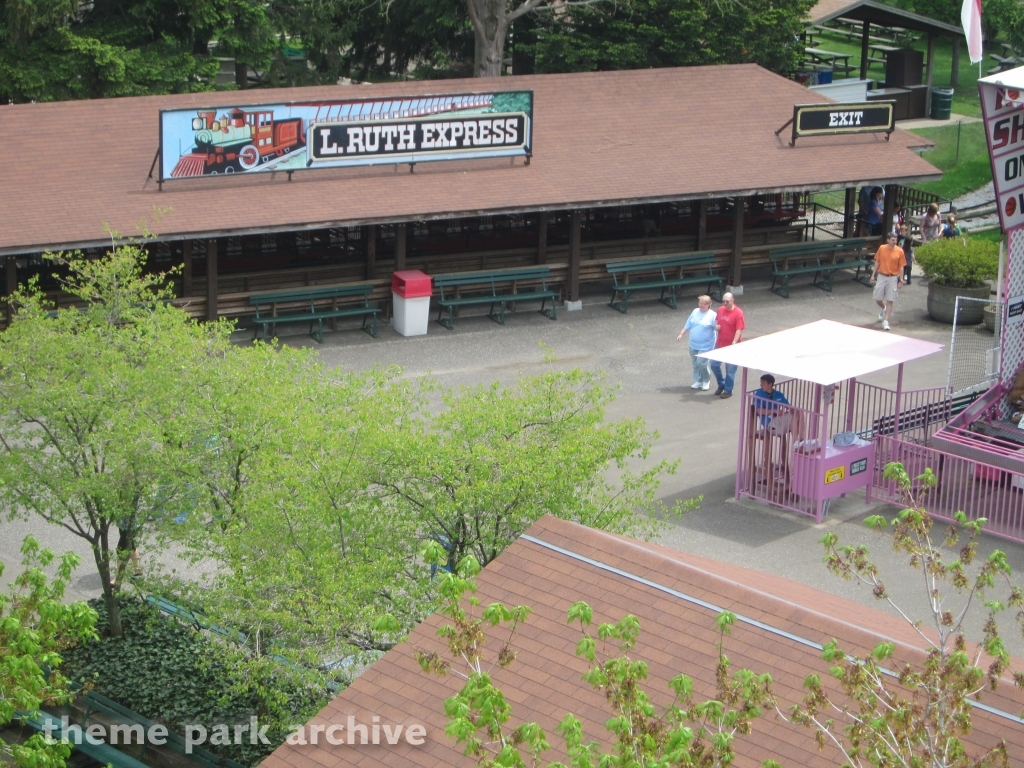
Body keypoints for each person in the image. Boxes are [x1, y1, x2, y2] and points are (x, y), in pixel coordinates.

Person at [675, 295, 717, 391]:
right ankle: (699, 380)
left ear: (709, 304)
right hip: (693, 344)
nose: (701, 305)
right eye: (700, 303)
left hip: (706, 345)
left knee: (701, 363)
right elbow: (688, 324)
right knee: (695, 363)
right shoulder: (695, 312)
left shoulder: (713, 315)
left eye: (704, 304)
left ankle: (706, 380)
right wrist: (681, 334)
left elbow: (716, 328)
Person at [710, 292, 745, 399]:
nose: (725, 303)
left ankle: (728, 390)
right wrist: (716, 326)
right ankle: (722, 384)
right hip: (720, 343)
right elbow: (716, 321)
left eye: (727, 301)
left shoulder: (738, 313)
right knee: (714, 364)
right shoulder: (720, 309)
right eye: (723, 301)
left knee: (730, 370)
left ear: (732, 301)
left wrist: (734, 343)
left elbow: (739, 330)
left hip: (732, 345)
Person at [870, 231, 906, 331]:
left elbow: (901, 266)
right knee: (877, 297)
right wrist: (873, 275)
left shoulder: (900, 251)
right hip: (882, 275)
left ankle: (886, 321)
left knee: (890, 299)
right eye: (893, 240)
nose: (895, 242)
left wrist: (901, 280)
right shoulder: (882, 248)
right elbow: (877, 262)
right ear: (888, 240)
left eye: (896, 240)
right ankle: (883, 308)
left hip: (893, 277)